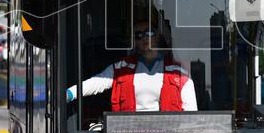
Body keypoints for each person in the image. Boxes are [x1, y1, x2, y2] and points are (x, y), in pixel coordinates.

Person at [67, 19, 197, 111]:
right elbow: (98, 82)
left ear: (157, 36)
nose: (144, 38)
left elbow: (191, 114)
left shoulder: (177, 73)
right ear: (134, 41)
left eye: (149, 33)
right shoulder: (122, 68)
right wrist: (70, 93)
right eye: (138, 35)